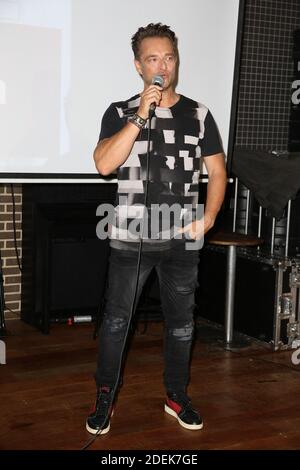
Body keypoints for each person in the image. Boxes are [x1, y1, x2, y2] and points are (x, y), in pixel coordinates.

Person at [86, 23, 227, 435]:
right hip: (130, 241)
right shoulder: (119, 112)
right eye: (153, 58)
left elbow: (217, 172)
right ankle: (105, 399)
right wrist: (139, 116)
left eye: (169, 57)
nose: (163, 65)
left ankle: (176, 395)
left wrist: (211, 216)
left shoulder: (198, 114)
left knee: (182, 322)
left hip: (182, 240)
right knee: (116, 322)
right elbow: (103, 164)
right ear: (138, 65)